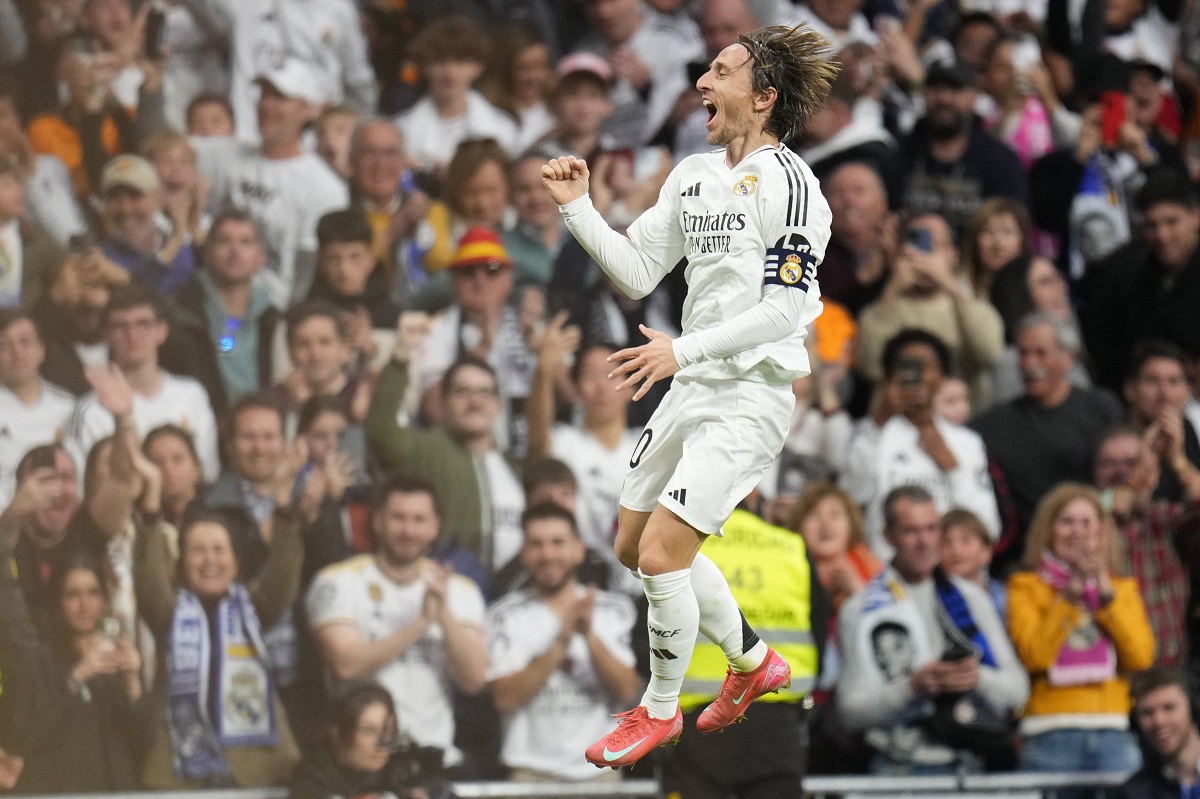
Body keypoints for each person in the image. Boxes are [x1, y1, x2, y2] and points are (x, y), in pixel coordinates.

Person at [542, 22, 837, 766]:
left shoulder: (794, 186)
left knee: (667, 552)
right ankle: (752, 660)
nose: (702, 82)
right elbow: (639, 270)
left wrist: (683, 349)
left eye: (721, 72)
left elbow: (785, 310)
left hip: (748, 392)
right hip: (691, 380)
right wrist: (579, 209)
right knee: (632, 545)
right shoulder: (693, 174)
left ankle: (659, 708)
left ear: (763, 96)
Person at [134, 474, 317, 788]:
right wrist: (151, 514)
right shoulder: (169, 612)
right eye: (198, 551)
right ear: (182, 562)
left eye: (219, 550)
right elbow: (148, 581)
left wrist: (284, 510)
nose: (209, 560)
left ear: (235, 562)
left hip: (253, 766)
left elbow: (283, 580)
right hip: (180, 767)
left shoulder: (253, 609)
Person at [838, 486, 1029, 775]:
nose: (924, 541)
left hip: (970, 764)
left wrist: (975, 677)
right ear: (888, 535)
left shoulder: (972, 598)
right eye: (911, 531)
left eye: (931, 528)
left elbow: (1018, 691)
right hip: (898, 770)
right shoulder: (859, 609)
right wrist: (912, 687)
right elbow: (851, 712)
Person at [306, 476, 488, 768]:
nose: (408, 530)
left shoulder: (460, 590)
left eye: (419, 520)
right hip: (362, 764)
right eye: (398, 518)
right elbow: (346, 665)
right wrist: (419, 625)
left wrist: (443, 616)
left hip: (435, 758)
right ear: (377, 522)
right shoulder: (337, 581)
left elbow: (475, 679)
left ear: (435, 527)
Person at [663, 503, 829, 797]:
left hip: (698, 728)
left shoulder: (679, 547)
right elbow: (818, 635)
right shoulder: (790, 546)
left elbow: (649, 636)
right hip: (776, 728)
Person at [1007, 483, 1155, 774]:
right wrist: (1069, 596)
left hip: (1112, 729)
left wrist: (1104, 595)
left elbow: (1140, 657)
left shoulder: (1120, 589)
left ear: (1102, 531)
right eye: (1066, 521)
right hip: (1048, 732)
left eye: (1087, 522)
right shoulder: (1024, 587)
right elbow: (1034, 656)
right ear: (1048, 530)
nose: (1078, 531)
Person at [487, 503, 640, 783]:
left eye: (558, 542)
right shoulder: (504, 615)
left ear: (578, 550)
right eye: (536, 544)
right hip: (530, 772)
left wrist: (589, 635)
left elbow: (628, 691)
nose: (547, 554)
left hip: (601, 771)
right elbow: (504, 699)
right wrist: (560, 643)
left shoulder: (612, 610)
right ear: (523, 553)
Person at [193, 58, 350, 308]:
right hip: (211, 306)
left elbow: (306, 269)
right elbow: (159, 148)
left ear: (308, 109)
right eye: (264, 95)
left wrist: (285, 323)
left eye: (280, 98)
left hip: (271, 313)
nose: (267, 106)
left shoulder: (325, 188)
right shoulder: (227, 154)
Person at [971, 312, 1124, 566]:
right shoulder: (993, 424)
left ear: (1068, 357)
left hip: (1097, 553)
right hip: (1027, 562)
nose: (1030, 364)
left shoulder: (1101, 410)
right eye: (1023, 353)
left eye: (1041, 353)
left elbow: (1125, 481)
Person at [367, 348, 527, 579]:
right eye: (463, 392)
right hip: (444, 587)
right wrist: (399, 364)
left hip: (507, 594)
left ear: (498, 405)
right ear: (443, 402)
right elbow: (382, 434)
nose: (475, 401)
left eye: (485, 392)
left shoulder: (513, 467)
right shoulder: (427, 449)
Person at [843, 329, 1000, 557]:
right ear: (890, 376)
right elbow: (851, 501)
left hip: (949, 573)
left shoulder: (967, 442)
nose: (916, 376)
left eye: (925, 366)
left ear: (943, 377)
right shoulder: (866, 435)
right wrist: (881, 417)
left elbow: (989, 527)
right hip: (886, 575)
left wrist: (953, 469)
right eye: (907, 366)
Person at [4, 552, 147, 794]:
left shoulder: (115, 656)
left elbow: (143, 741)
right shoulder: (40, 658)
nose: (84, 604)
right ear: (58, 601)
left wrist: (132, 678)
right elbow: (28, 734)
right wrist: (77, 675)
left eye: (93, 593)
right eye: (72, 594)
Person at [65, 285, 220, 481]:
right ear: (106, 335)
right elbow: (86, 485)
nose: (132, 335)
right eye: (120, 327)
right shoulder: (90, 410)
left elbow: (208, 472)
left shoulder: (192, 394)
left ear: (162, 331)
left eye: (143, 324)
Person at [855, 212, 1005, 410]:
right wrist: (891, 293)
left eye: (933, 246)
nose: (922, 255)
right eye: (915, 242)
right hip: (896, 427)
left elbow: (989, 353)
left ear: (952, 254)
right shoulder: (881, 309)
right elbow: (870, 367)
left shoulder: (971, 304)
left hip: (963, 425)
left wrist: (952, 289)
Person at [178, 0, 375, 143]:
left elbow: (358, 82)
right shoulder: (243, 5)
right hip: (250, 138)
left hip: (318, 141)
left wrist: (355, 133)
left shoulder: (339, 9)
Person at [1092, 427, 1200, 668]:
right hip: (1107, 677)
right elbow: (1102, 512)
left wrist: (1180, 462)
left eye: (1132, 462)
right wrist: (1135, 481)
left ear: (1155, 475)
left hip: (1170, 670)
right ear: (1094, 473)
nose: (1121, 472)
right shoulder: (1085, 521)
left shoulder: (1168, 517)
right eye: (1109, 463)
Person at [1084, 170, 1200, 392]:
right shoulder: (1122, 277)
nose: (1162, 236)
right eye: (1152, 226)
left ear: (1195, 217)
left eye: (1172, 222)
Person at [898, 59, 1027, 236]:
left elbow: (1013, 232)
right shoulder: (900, 152)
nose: (944, 98)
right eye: (935, 88)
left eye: (955, 89)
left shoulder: (1001, 161)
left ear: (974, 96)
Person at [168, 208, 278, 416]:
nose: (234, 251)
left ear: (260, 257)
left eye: (245, 242)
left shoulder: (272, 318)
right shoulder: (179, 311)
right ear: (207, 253)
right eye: (224, 241)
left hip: (259, 434)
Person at [393, 17, 518, 173]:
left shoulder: (504, 130)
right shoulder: (400, 131)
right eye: (439, 61)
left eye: (460, 61)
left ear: (478, 66)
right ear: (424, 66)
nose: (449, 72)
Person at [288, 682, 446, 799]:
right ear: (336, 733)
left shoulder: (405, 767)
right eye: (368, 731)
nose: (381, 744)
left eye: (388, 732)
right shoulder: (313, 775)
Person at [0, 309, 75, 507]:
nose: (17, 352)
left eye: (25, 342)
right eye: (4, 345)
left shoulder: (68, 407)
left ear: (41, 350)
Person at [97, 154, 196, 296]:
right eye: (114, 198)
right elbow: (140, 294)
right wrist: (172, 246)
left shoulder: (183, 252)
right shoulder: (102, 260)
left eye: (135, 196)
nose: (125, 208)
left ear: (158, 200)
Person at [1123, 340, 1200, 502]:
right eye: (1152, 381)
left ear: (1187, 391)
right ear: (1130, 389)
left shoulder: (1190, 430)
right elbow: (1104, 505)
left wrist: (1179, 462)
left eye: (1174, 381)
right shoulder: (1114, 438)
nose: (1165, 394)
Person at [1124, 667, 1200, 799]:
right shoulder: (1135, 792)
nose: (1159, 722)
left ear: (1192, 709)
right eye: (1147, 713)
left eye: (1169, 708)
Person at [0, 158, 65, 310]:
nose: (18, 189)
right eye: (7, 185)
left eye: (18, 183)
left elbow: (62, 275)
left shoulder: (35, 239)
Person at [940, 508, 1006, 616]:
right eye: (946, 542)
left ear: (986, 551)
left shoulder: (1005, 597)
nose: (956, 551)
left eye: (965, 541)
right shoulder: (936, 601)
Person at [142, 424, 203, 530]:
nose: (168, 468)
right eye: (157, 462)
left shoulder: (219, 513)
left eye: (177, 459)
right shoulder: (136, 519)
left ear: (196, 467)